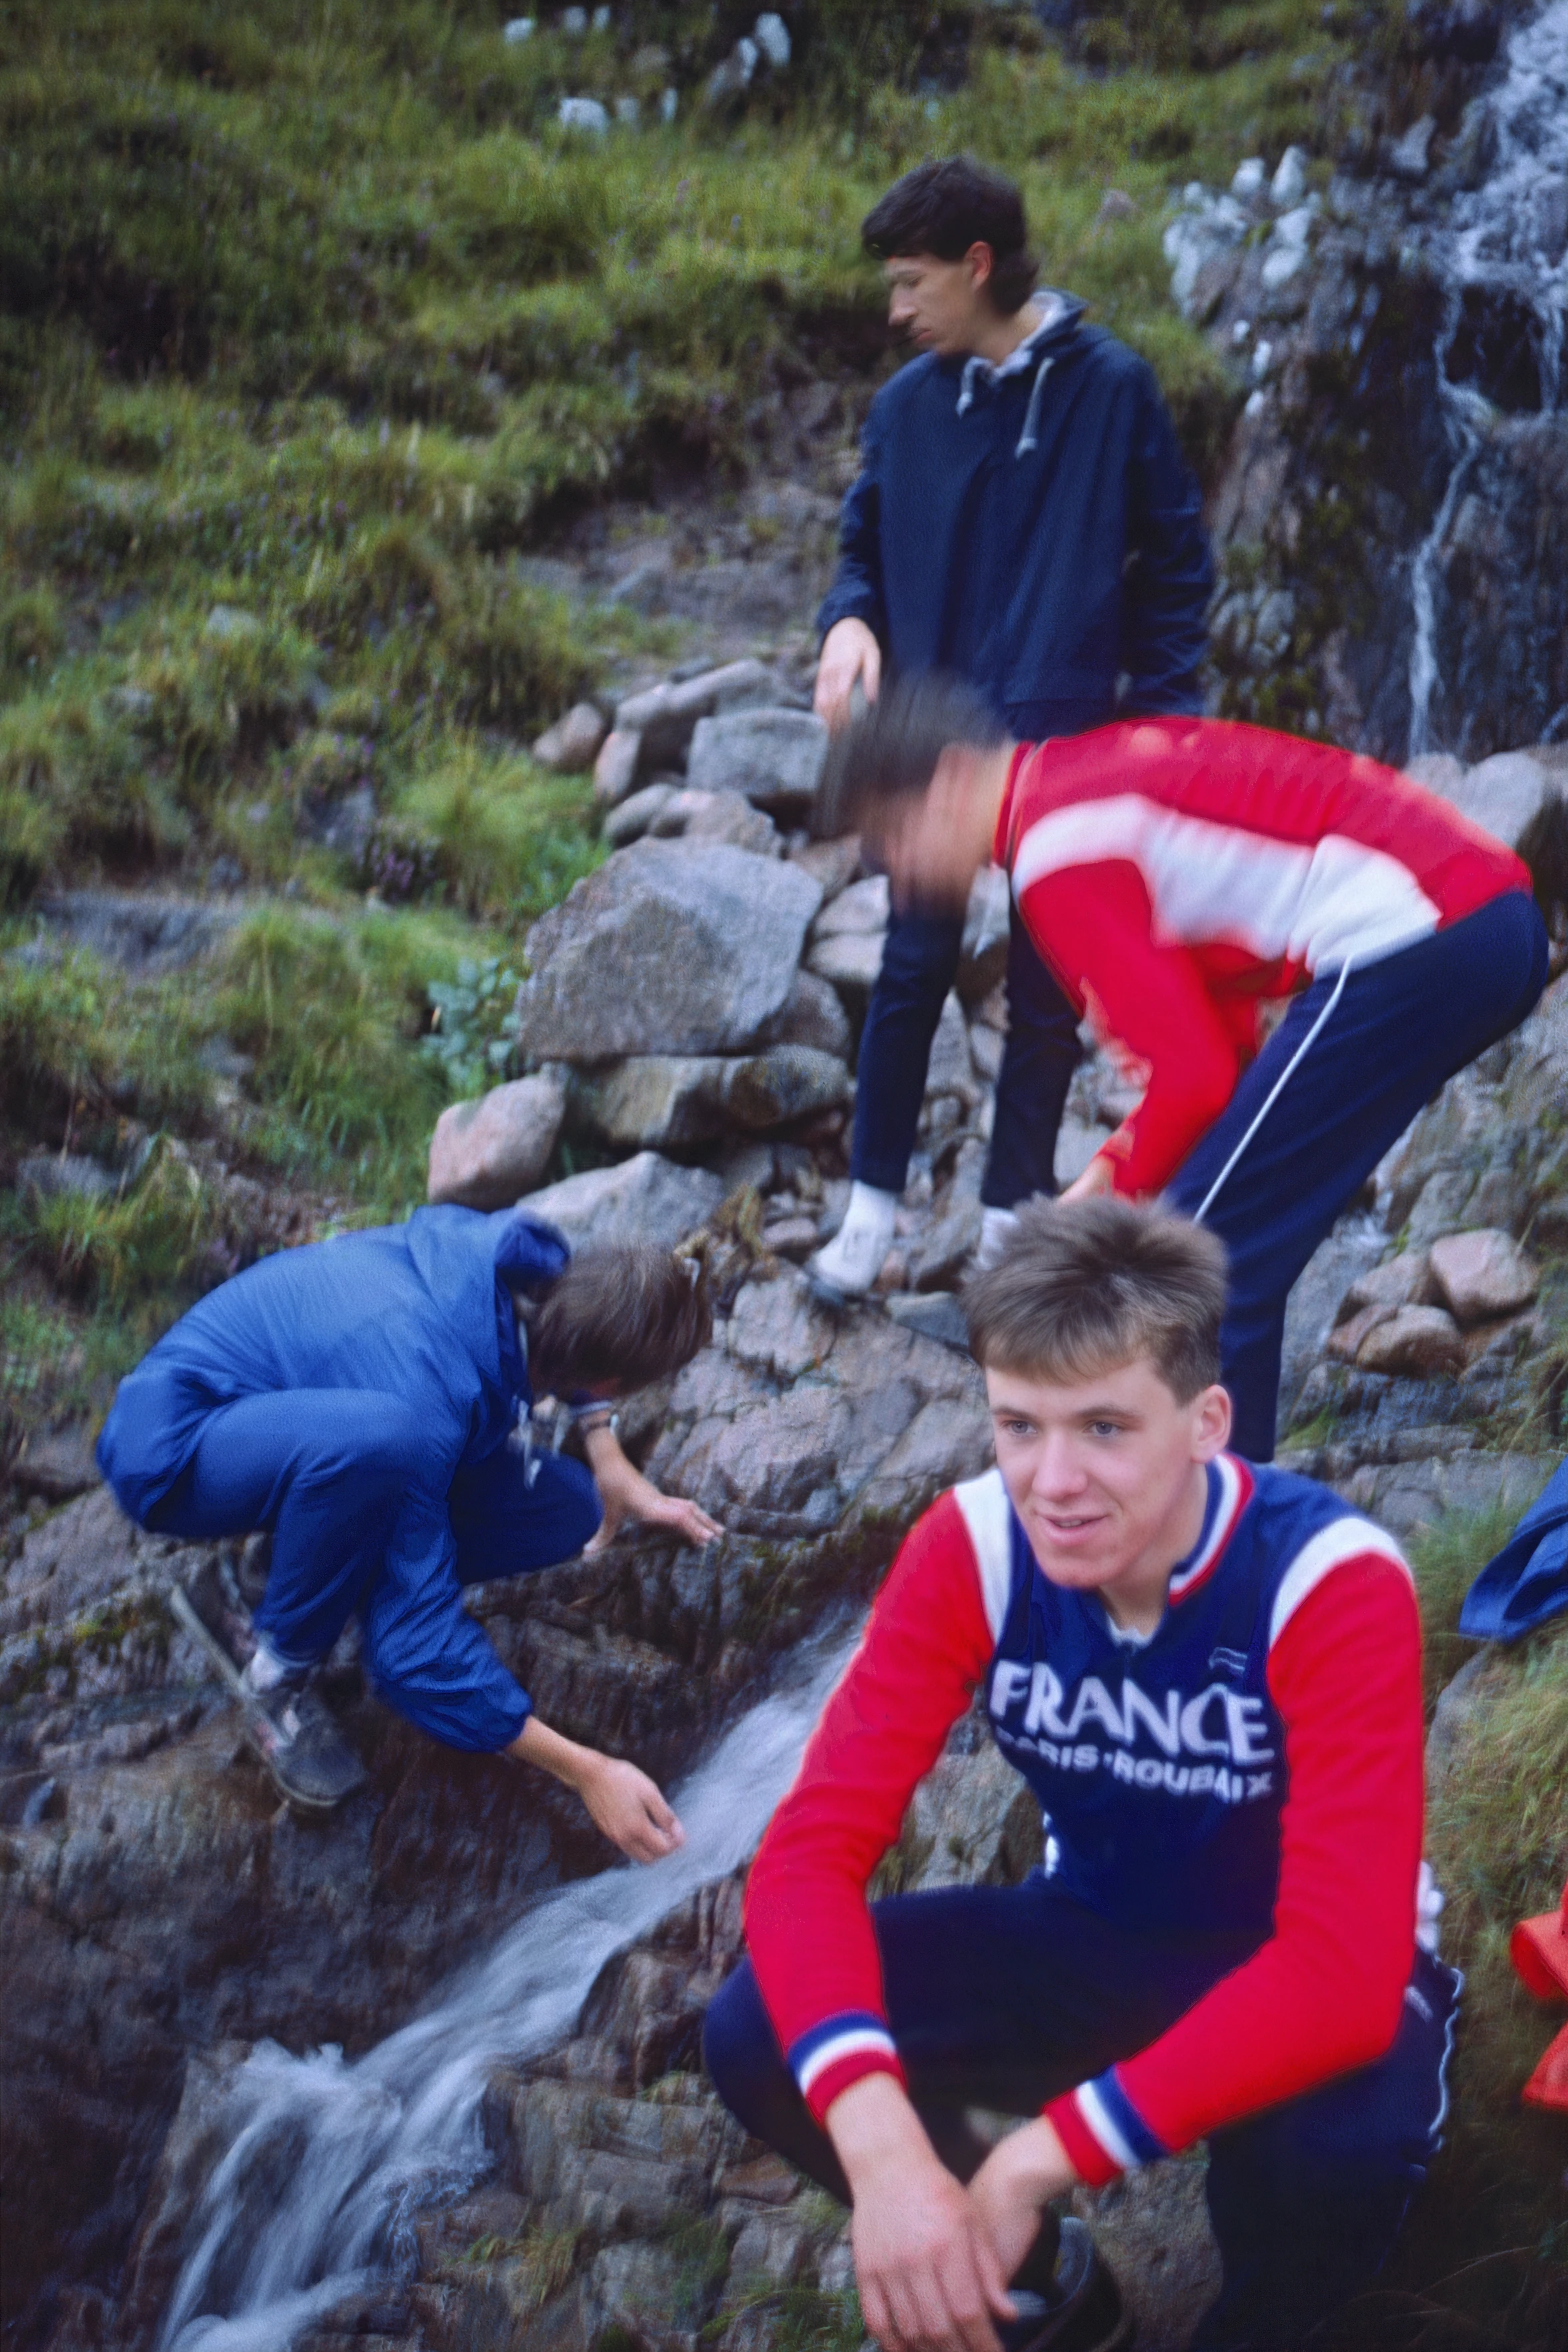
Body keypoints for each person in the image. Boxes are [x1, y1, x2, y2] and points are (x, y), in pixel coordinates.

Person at [705, 1197, 1458, 2352]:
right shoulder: (972, 1547)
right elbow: (810, 1855)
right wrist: (886, 2148)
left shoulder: (1324, 1579)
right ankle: (1039, 2284)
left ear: (1207, 1421)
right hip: (1092, 1929)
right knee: (758, 2029)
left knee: (1329, 2163)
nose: (1051, 1479)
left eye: (1103, 1427)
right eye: (1018, 1425)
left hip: (1301, 1968)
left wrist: (1035, 2156)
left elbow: (1338, 1971)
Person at [812, 676, 1553, 1460]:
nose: (898, 870)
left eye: (893, 835)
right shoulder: (1074, 781)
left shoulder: (1055, 851)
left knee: (1205, 1263)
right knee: (1218, 1236)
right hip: (1484, 923)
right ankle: (1234, 1529)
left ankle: (1225, 1554)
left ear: (952, 778)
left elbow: (1194, 1079)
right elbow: (1219, 1055)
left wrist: (1098, 1203)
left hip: (1419, 934)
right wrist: (1104, 1185)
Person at [809, 155, 1212, 1302]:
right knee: (909, 968)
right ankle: (865, 1217)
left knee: (1047, 999)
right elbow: (859, 550)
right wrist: (847, 623)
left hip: (1067, 754)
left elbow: (1177, 567)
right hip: (928, 755)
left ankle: (1003, 1228)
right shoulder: (903, 408)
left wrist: (1158, 728)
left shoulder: (1111, 387)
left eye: (908, 281)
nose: (894, 310)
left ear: (976, 265)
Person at [97, 1206, 719, 1844]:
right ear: (613, 1377)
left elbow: (583, 1344)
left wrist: (608, 1454)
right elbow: (412, 1653)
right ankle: (274, 1665)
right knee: (381, 1448)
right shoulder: (426, 1399)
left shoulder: (532, 1260)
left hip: (324, 1416)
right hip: (176, 1442)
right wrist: (586, 1770)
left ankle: (293, 1557)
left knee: (568, 1510)